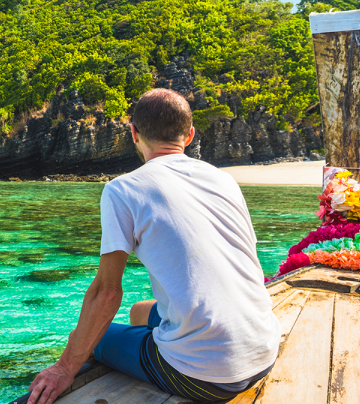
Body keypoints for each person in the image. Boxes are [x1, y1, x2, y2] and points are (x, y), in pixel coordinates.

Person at [27, 89, 280, 404]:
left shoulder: (122, 190)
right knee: (139, 310)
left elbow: (107, 293)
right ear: (189, 135)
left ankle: (153, 354)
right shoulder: (223, 180)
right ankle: (156, 343)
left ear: (133, 133)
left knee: (91, 338)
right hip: (265, 347)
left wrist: (65, 366)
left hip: (208, 378)